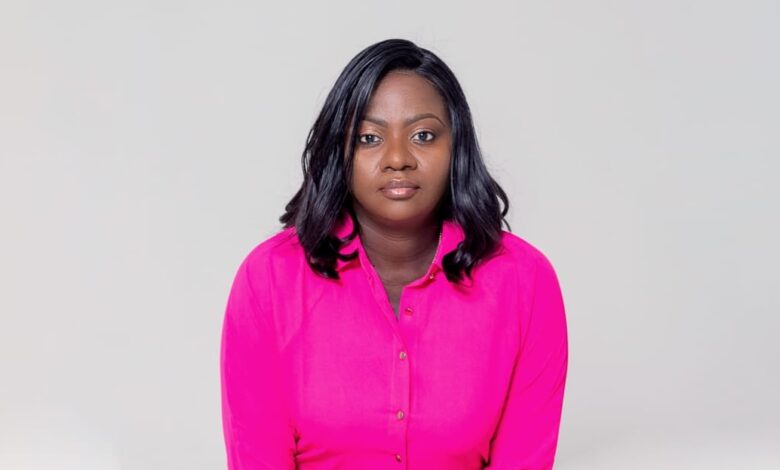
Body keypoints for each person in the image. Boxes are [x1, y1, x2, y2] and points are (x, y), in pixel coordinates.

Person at [220, 38, 569, 469]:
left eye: (423, 135)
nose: (398, 158)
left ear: (456, 145)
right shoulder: (269, 280)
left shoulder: (524, 281)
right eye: (369, 138)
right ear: (339, 150)